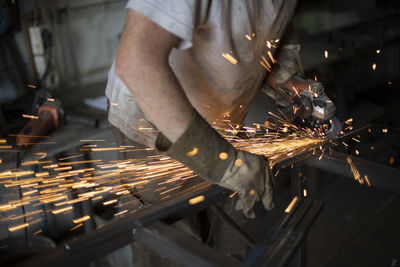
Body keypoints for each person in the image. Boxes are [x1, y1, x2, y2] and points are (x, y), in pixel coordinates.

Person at [105, 0, 304, 264]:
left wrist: (280, 56)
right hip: (157, 122)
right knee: (177, 250)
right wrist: (223, 163)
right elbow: (136, 62)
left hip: (222, 120)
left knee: (229, 240)